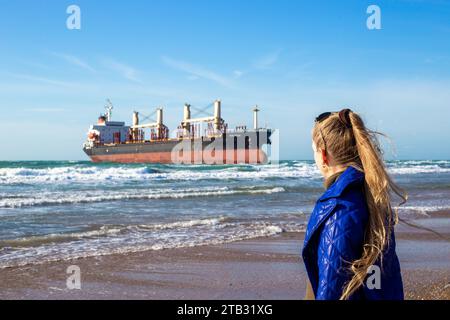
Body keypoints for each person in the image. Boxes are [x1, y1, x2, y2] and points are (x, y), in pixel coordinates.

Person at [302, 109, 406, 300]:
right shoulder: (374, 198)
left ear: (323, 155)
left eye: (314, 151)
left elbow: (332, 287)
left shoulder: (337, 208)